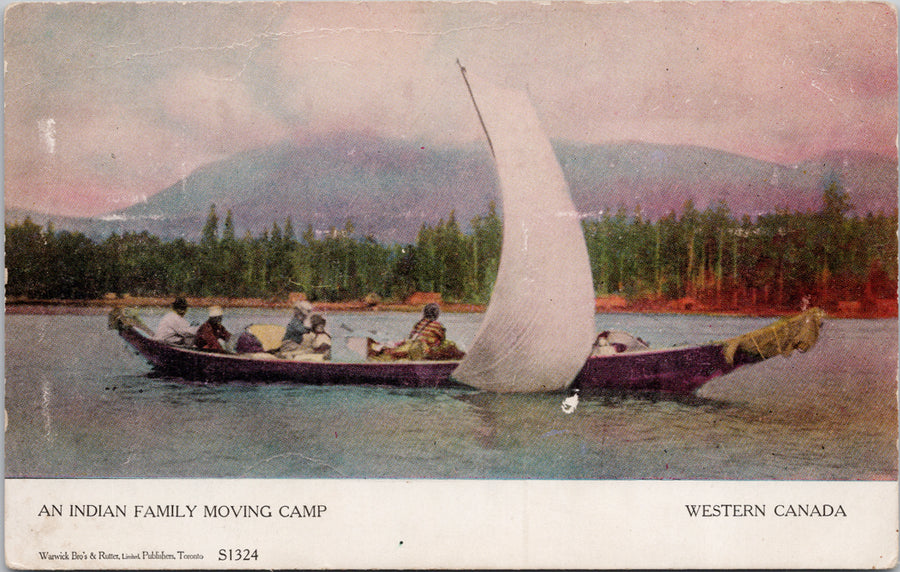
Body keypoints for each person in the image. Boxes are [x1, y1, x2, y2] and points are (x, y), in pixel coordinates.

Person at [369, 303, 465, 361]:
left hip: (413, 343)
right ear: (436, 314)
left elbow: (411, 336)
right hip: (423, 347)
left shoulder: (419, 323)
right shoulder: (438, 325)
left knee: (400, 348)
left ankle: (381, 349)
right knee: (451, 346)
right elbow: (441, 340)